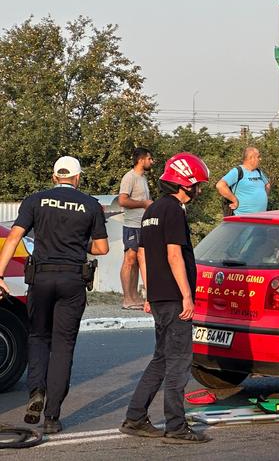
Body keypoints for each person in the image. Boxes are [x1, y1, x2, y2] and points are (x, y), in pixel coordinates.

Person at [0, 156, 109, 434]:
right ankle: (52, 417)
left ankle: (36, 391)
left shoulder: (35, 201)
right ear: (78, 178)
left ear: (53, 176)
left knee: (37, 337)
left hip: (42, 278)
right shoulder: (91, 205)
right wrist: (77, 245)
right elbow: (102, 249)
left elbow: (13, 238)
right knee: (63, 346)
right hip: (73, 279)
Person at [120, 152, 211, 444]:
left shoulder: (151, 211)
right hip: (174, 298)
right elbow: (174, 255)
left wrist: (148, 293)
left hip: (158, 297)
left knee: (160, 359)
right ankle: (175, 425)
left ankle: (135, 418)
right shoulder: (173, 211)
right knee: (179, 362)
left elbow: (144, 255)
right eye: (197, 184)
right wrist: (187, 296)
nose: (199, 190)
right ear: (186, 184)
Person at [118, 147, 154, 310]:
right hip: (132, 225)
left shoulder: (143, 178)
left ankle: (134, 297)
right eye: (149, 159)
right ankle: (127, 298)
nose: (151, 162)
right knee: (129, 259)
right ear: (141, 160)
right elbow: (123, 201)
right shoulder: (129, 177)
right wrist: (144, 204)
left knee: (139, 261)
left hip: (143, 224)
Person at [215, 146, 270, 215]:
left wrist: (264, 198)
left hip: (260, 217)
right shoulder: (238, 171)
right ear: (251, 158)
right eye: (258, 157)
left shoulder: (258, 172)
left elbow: (267, 184)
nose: (260, 159)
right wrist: (234, 200)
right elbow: (220, 185)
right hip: (242, 219)